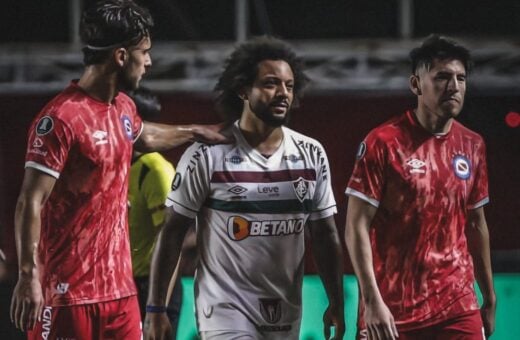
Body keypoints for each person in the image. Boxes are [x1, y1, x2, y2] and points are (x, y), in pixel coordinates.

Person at [9, 1, 228, 339]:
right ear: (122, 56)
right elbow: (30, 202)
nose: (150, 61)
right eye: (145, 52)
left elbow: (143, 134)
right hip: (68, 296)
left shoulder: (123, 108)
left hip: (122, 295)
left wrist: (194, 131)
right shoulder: (61, 119)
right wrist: (28, 277)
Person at [143, 37, 345, 340]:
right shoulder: (207, 154)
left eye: (289, 86)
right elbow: (172, 233)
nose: (283, 94)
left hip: (284, 310)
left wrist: (337, 302)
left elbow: (325, 234)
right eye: (271, 84)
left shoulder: (310, 153)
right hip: (223, 309)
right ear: (243, 90)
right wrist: (156, 310)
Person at [344, 35, 496, 340]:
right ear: (416, 84)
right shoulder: (383, 142)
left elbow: (477, 225)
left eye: (461, 78)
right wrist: (372, 302)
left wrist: (489, 298)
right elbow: (355, 227)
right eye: (442, 77)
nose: (454, 86)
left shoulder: (473, 145)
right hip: (391, 311)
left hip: (457, 306)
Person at [127, 87, 183, 338]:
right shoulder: (112, 166)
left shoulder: (156, 170)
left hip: (151, 289)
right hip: (122, 286)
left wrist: (156, 306)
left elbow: (172, 238)